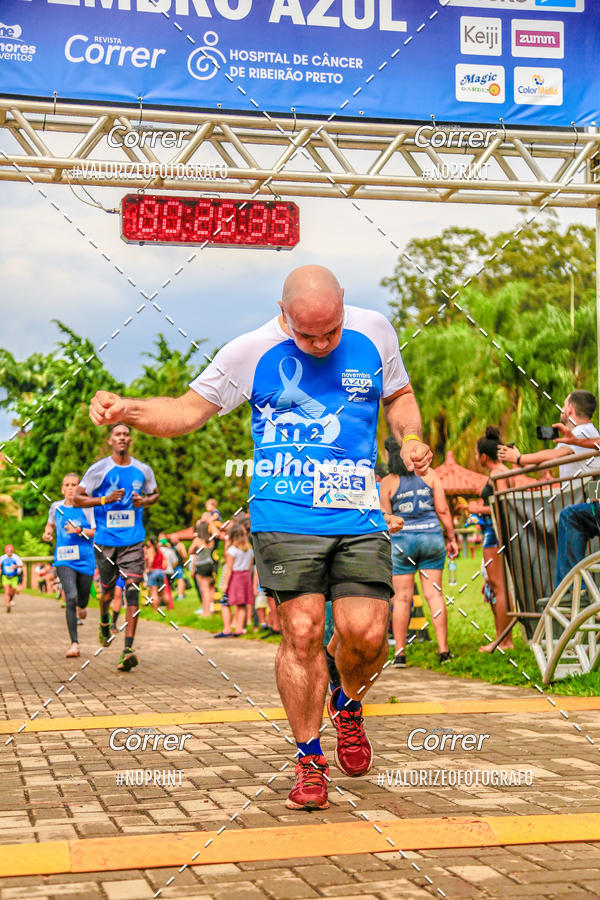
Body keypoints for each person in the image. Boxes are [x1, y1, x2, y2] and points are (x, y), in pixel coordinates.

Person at [87, 264, 432, 811]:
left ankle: (347, 704)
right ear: (282, 312)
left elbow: (401, 396)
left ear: (344, 302)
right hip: (284, 512)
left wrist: (409, 438)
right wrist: (126, 409)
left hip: (357, 511)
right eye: (307, 334)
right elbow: (185, 411)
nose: (320, 344)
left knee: (365, 635)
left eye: (331, 331)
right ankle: (310, 758)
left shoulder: (376, 331)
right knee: (302, 631)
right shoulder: (247, 351)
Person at [74, 423, 159, 672]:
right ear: (111, 440)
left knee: (133, 589)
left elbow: (155, 494)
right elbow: (78, 498)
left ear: (130, 440)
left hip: (133, 540)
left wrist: (144, 500)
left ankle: (128, 648)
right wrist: (103, 500)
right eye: (117, 434)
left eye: (125, 434)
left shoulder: (143, 469)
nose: (122, 438)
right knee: (108, 593)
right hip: (106, 542)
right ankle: (103, 620)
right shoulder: (99, 469)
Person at [380, 437, 458, 666]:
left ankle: (400, 653)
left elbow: (386, 518)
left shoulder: (388, 482)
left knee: (402, 599)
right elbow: (442, 510)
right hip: (431, 538)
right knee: (434, 595)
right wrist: (451, 537)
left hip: (402, 543)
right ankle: (444, 651)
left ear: (388, 456)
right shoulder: (430, 475)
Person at [474, 426, 525, 652]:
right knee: (499, 587)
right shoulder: (506, 471)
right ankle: (503, 638)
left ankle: (504, 640)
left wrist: (477, 508)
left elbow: (501, 504)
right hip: (500, 534)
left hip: (495, 535)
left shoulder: (497, 474)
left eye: (477, 454)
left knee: (498, 587)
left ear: (484, 456)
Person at [43, 473, 96, 657]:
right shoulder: (56, 507)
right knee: (70, 597)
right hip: (64, 558)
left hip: (86, 559)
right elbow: (50, 524)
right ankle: (74, 643)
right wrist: (47, 533)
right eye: (67, 484)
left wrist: (78, 530)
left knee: (81, 599)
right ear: (62, 488)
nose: (71, 488)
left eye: (74, 484)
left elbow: (96, 532)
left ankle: (83, 607)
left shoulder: (87, 507)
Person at [499, 391, 600, 479]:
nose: (562, 409)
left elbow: (554, 455)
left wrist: (519, 458)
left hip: (583, 498)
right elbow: (547, 460)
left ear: (570, 409)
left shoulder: (581, 431)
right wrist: (520, 461)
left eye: (563, 405)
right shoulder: (588, 430)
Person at [222, 523, 255, 635]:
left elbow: (229, 568)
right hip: (245, 577)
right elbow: (250, 567)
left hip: (235, 577)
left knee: (225, 602)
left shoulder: (232, 550)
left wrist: (225, 584)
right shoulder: (250, 550)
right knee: (242, 604)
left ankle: (227, 629)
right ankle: (239, 629)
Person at [190, 522, 216, 619]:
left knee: (203, 590)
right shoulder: (210, 540)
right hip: (209, 565)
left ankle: (206, 612)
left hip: (201, 566)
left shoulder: (197, 540)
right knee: (208, 590)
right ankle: (208, 610)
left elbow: (190, 551)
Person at [145, 536, 169, 611]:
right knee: (163, 592)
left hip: (153, 572)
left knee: (154, 593)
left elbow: (151, 560)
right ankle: (169, 608)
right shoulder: (159, 550)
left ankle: (155, 610)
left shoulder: (150, 550)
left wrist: (148, 568)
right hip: (161, 572)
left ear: (150, 542)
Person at [1, 545, 23, 613]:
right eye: (8, 550)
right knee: (7, 591)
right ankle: (8, 605)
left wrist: (16, 566)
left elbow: (21, 565)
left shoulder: (15, 557)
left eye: (10, 550)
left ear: (12, 551)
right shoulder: (2, 557)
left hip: (14, 577)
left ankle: (11, 599)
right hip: (5, 576)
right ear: (5, 551)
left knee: (13, 591)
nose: (9, 552)